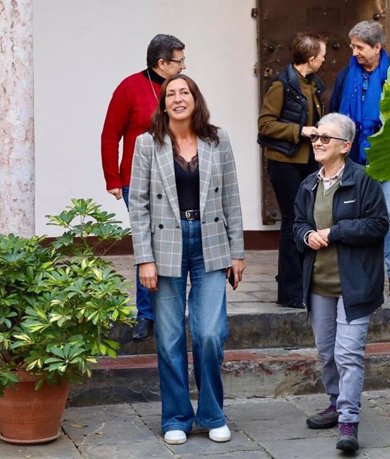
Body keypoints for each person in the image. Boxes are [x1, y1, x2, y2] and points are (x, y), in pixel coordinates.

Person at [129, 74, 246, 446]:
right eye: (171, 94)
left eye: (185, 92)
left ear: (196, 99)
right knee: (170, 337)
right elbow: (140, 206)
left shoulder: (217, 139)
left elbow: (232, 197)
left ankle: (212, 413)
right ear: (163, 103)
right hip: (165, 245)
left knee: (211, 333)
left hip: (210, 242)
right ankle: (176, 416)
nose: (178, 98)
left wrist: (237, 250)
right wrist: (144, 259)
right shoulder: (147, 144)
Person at [293, 113, 388, 452]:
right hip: (319, 284)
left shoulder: (365, 182)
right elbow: (297, 226)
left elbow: (378, 225)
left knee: (348, 354)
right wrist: (306, 235)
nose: (317, 141)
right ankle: (335, 403)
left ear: (345, 147)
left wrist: (335, 233)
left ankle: (349, 419)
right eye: (315, 136)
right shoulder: (308, 185)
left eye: (325, 138)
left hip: (355, 285)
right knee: (326, 352)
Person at [101, 34, 187, 340]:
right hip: (136, 181)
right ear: (162, 63)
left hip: (177, 177)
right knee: (147, 241)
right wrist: (112, 179)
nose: (184, 66)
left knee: (173, 243)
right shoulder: (129, 88)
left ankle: (170, 309)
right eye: (179, 60)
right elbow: (110, 135)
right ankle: (146, 314)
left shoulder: (182, 90)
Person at [329, 21, 390, 300]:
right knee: (353, 216)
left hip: (389, 156)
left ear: (377, 47)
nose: (354, 53)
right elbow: (334, 117)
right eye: (353, 46)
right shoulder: (344, 76)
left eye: (360, 47)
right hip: (352, 158)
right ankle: (355, 275)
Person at [257, 32, 327, 308]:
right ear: (311, 59)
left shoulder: (314, 83)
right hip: (285, 163)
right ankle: (289, 292)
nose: (324, 59)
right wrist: (300, 131)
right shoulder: (281, 84)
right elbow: (265, 124)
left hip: (309, 162)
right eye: (321, 55)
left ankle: (304, 284)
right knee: (291, 223)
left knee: (306, 221)